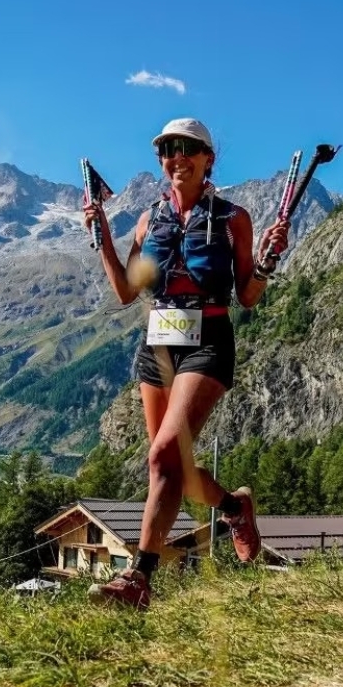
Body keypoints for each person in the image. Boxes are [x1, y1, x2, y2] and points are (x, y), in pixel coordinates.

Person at [81, 118, 292, 609]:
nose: (176, 156)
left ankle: (139, 578)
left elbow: (249, 296)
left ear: (208, 158)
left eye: (187, 148)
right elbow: (125, 291)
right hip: (157, 346)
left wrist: (265, 263)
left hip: (209, 340)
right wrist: (104, 238)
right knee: (172, 469)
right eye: (167, 150)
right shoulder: (147, 220)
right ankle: (236, 508)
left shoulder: (233, 218)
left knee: (161, 458)